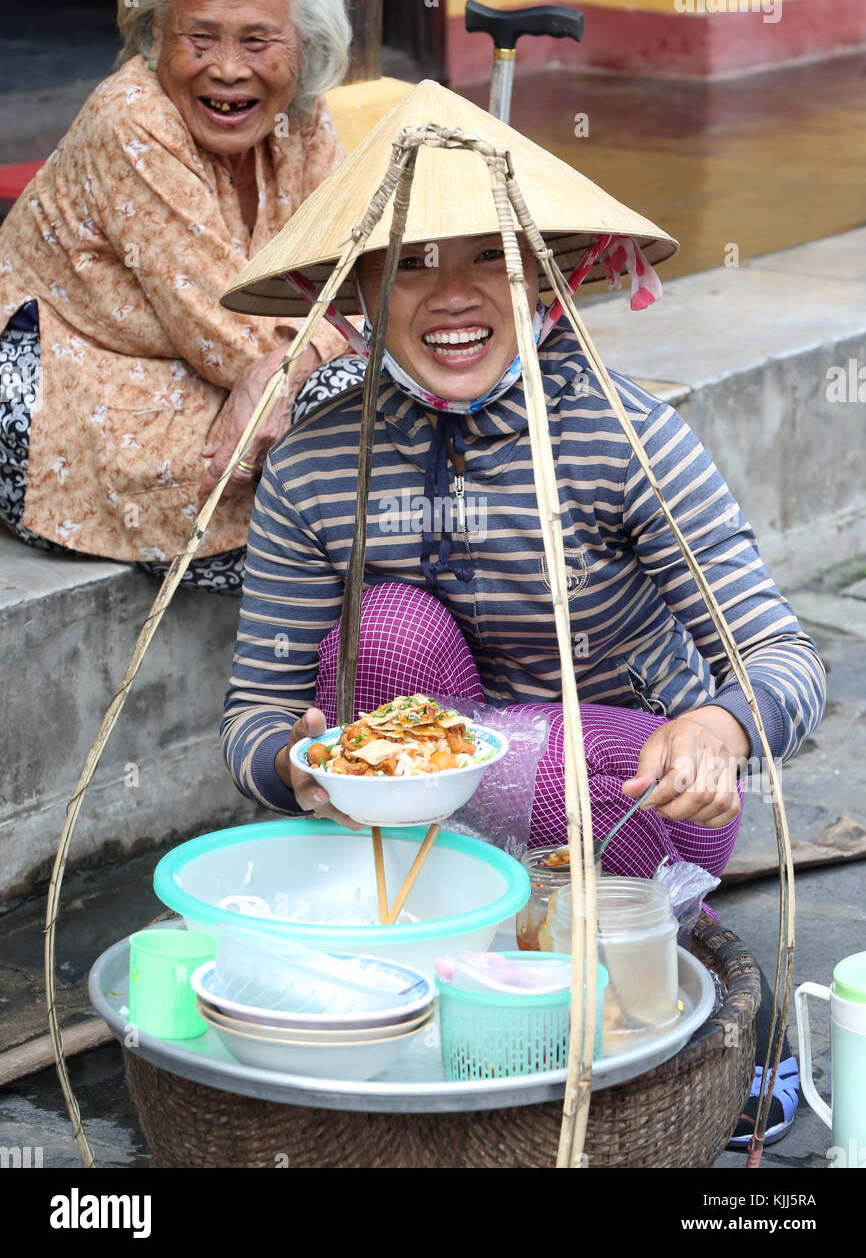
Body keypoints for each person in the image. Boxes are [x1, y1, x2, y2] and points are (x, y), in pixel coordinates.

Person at [220, 82, 824, 1143]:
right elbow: (255, 716)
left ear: (538, 271)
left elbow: (779, 652)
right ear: (357, 285)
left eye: (485, 255)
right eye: (409, 261)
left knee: (615, 792)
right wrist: (296, 769)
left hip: (632, 791)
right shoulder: (317, 467)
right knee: (390, 631)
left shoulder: (620, 433)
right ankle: (494, 945)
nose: (450, 294)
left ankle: (624, 926)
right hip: (418, 820)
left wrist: (718, 727)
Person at [0, 0, 356, 593]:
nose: (227, 69)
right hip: (64, 389)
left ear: (304, 46)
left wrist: (290, 358)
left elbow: (358, 276)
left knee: (376, 398)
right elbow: (230, 335)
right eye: (201, 37)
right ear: (158, 33)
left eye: (258, 42)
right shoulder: (132, 117)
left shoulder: (303, 118)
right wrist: (299, 356)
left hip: (202, 376)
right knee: (349, 409)